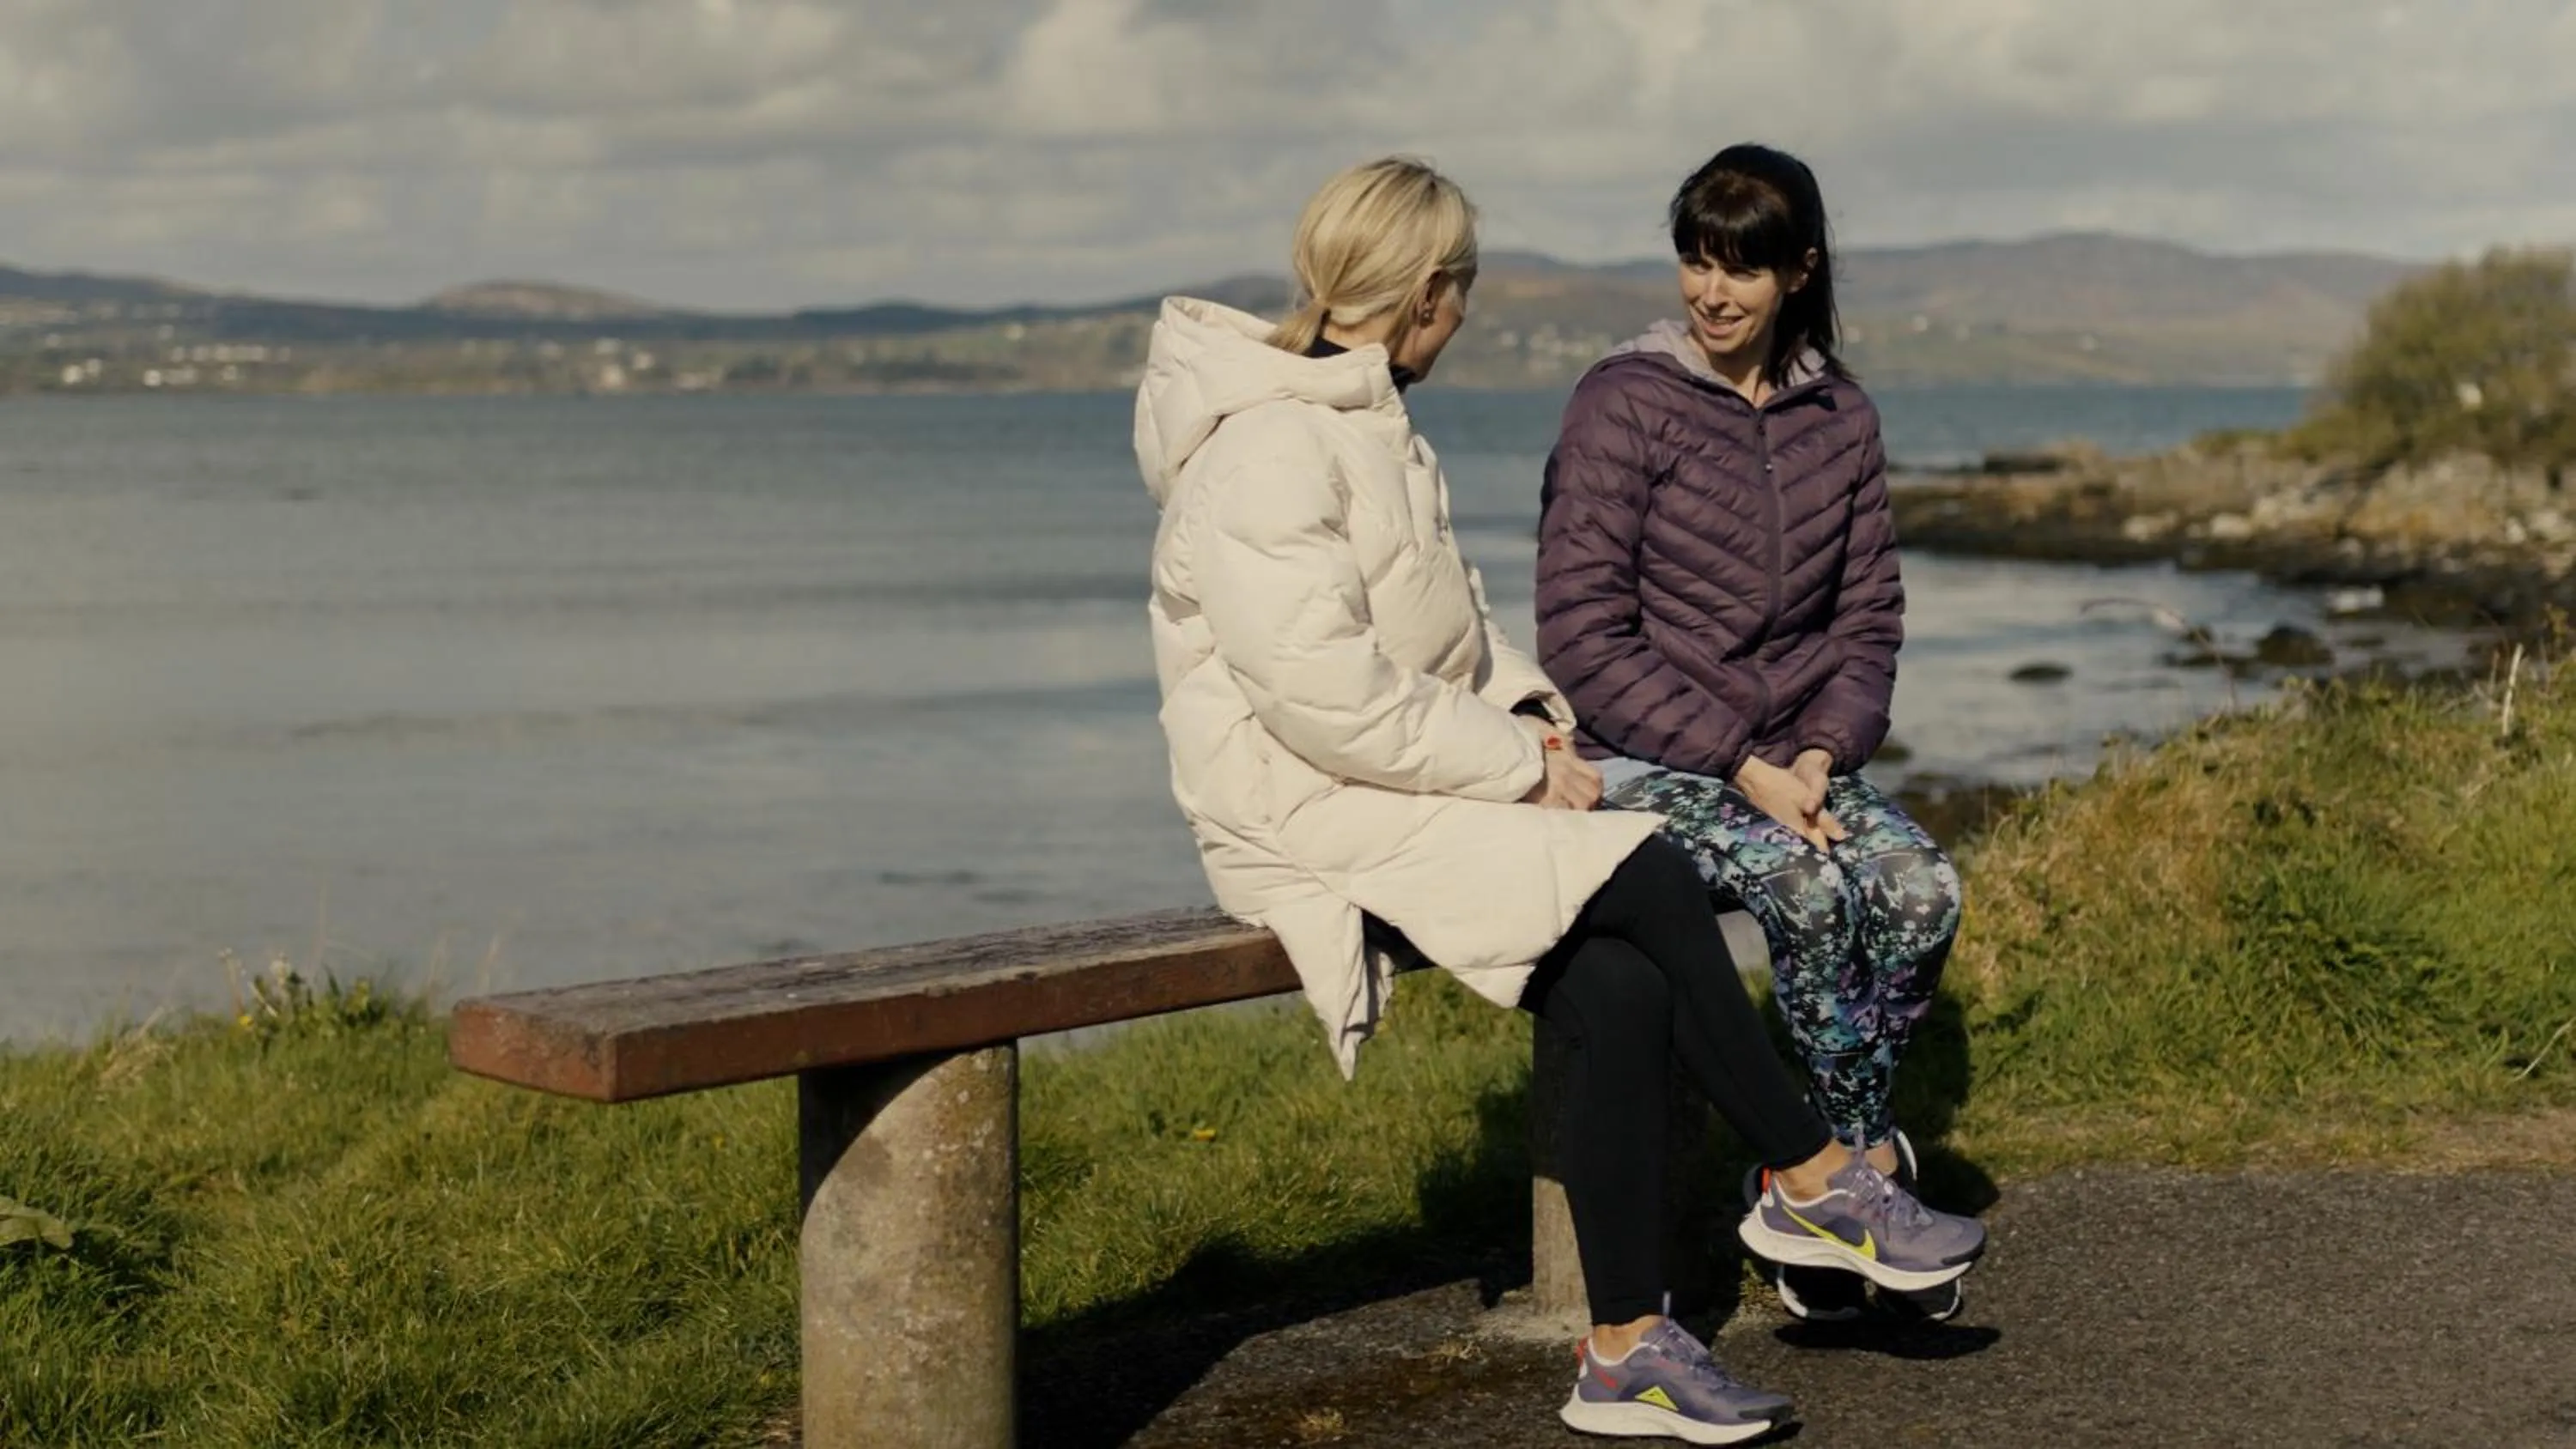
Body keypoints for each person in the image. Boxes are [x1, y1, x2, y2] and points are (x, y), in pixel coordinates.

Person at [1135, 155, 1981, 1445]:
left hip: (1389, 775)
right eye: (1459, 289)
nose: (1463, 313)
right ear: (1424, 294)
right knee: (1639, 863)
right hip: (1303, 798)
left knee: (1625, 981)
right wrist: (1526, 766)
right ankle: (1814, 1176)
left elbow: (1459, 641)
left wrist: (1530, 718)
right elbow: (1323, 694)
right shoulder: (1269, 449)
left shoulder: (1361, 419)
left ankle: (1626, 1349)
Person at [1535, 143, 1969, 1325]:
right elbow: (1582, 635)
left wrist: (1824, 751)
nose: (1711, 292)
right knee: (1815, 897)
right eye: (1694, 260)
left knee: (1922, 889)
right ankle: (1837, 1198)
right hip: (1652, 755)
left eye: (1742, 267)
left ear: (1799, 271)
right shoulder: (1622, 402)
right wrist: (1740, 762)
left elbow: (1867, 614)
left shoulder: (1842, 413)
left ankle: (1836, 1172)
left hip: (1797, 752)